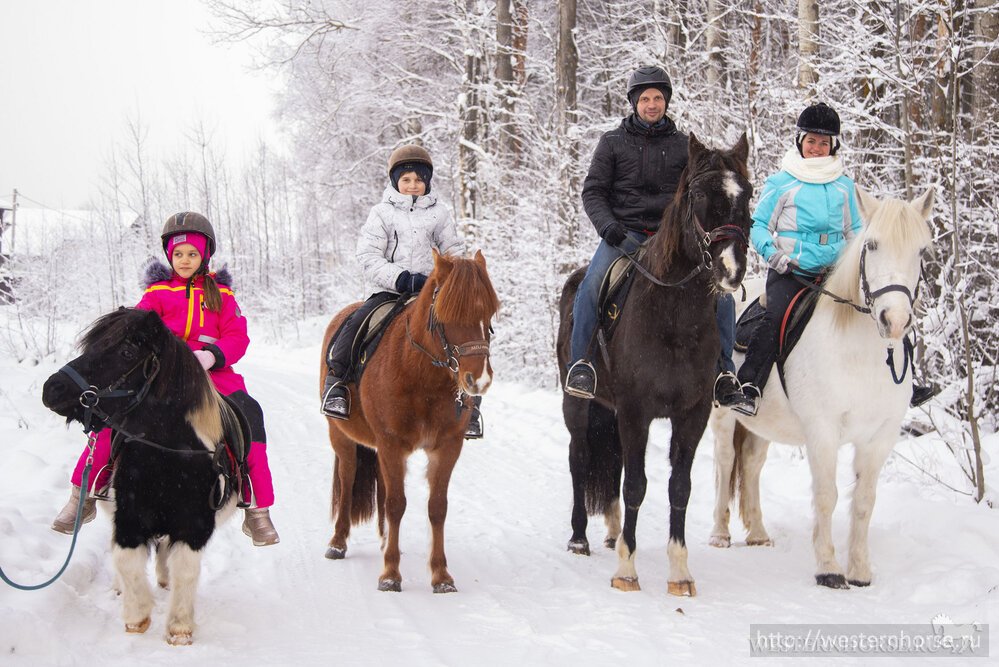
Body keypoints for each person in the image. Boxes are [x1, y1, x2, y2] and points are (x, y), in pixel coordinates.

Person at [51, 212, 280, 546]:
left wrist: (212, 356)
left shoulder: (223, 296)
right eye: (177, 254)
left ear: (205, 257)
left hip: (213, 377)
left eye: (192, 254)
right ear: (168, 256)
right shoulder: (156, 295)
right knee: (111, 418)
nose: (184, 260)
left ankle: (258, 508)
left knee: (250, 416)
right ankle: (82, 494)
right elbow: (137, 333)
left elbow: (237, 337)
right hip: (161, 375)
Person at [567, 65, 736, 398]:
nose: (652, 104)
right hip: (623, 235)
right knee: (590, 287)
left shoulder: (684, 146)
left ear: (666, 101)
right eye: (645, 98)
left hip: (670, 240)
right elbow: (593, 191)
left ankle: (725, 373)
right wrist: (608, 227)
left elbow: (697, 194)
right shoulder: (612, 142)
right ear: (634, 103)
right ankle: (582, 364)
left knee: (721, 292)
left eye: (658, 98)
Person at [319, 145, 484, 437]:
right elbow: (368, 256)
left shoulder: (439, 213)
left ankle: (469, 403)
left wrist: (456, 276)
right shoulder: (381, 213)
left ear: (427, 182)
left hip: (432, 293)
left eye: (419, 180)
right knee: (359, 322)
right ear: (395, 181)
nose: (412, 185)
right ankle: (337, 382)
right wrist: (402, 279)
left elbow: (453, 251)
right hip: (390, 290)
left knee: (465, 332)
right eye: (406, 179)